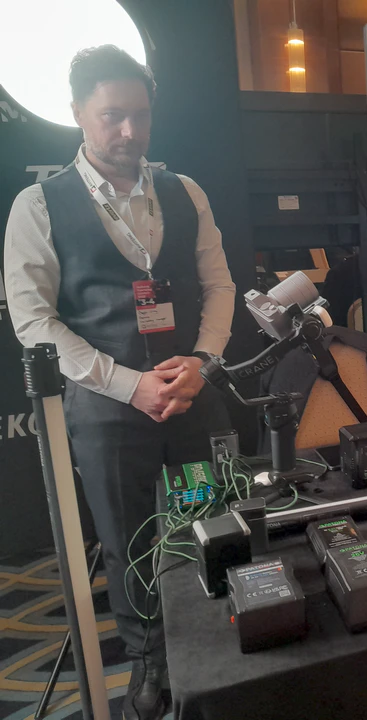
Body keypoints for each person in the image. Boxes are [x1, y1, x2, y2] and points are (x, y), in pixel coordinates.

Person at [3, 46, 235, 720]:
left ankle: (219, 631)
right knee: (127, 538)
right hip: (107, 409)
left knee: (204, 518)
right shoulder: (39, 206)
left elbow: (219, 287)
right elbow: (33, 319)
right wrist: (128, 385)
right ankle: (148, 658)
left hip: (191, 396)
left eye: (141, 115)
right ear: (78, 112)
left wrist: (203, 361)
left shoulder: (185, 192)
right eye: (112, 116)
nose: (130, 131)